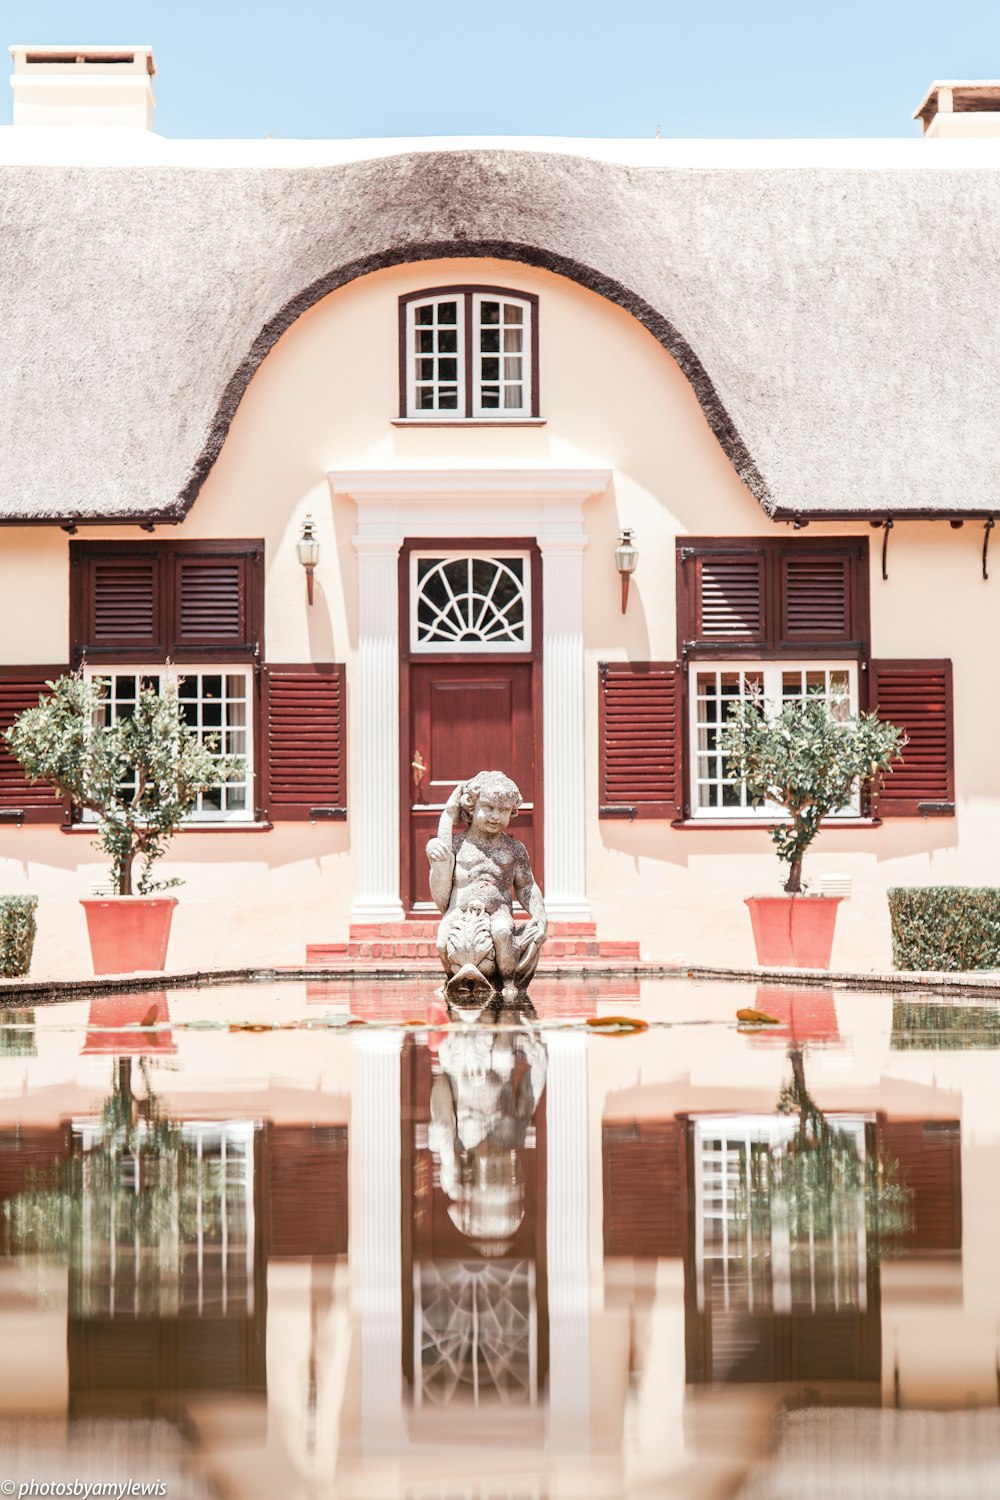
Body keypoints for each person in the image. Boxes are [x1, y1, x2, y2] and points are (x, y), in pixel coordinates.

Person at [426, 770, 548, 997]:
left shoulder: (514, 849)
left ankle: (508, 981)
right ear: (471, 807)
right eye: (489, 807)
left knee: (503, 931)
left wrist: (540, 915)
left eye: (504, 810)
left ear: (512, 810)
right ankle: (450, 979)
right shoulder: (457, 844)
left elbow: (526, 886)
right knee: (442, 941)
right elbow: (440, 879)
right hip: (458, 911)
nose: (495, 816)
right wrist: (434, 853)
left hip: (498, 911)